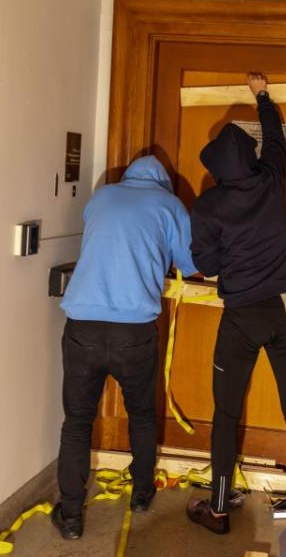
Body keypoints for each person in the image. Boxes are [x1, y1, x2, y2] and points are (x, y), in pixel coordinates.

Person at [186, 72, 286, 534]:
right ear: (252, 157)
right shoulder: (270, 177)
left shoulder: (207, 206)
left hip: (241, 317)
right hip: (284, 309)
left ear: (216, 165)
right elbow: (276, 137)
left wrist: (225, 256)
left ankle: (217, 509)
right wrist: (261, 94)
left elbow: (207, 264)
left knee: (226, 412)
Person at [52, 155, 196, 540]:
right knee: (142, 415)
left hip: (83, 324)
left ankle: (69, 517)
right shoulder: (170, 205)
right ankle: (142, 495)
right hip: (134, 331)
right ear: (164, 183)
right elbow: (191, 262)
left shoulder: (102, 196)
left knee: (77, 422)